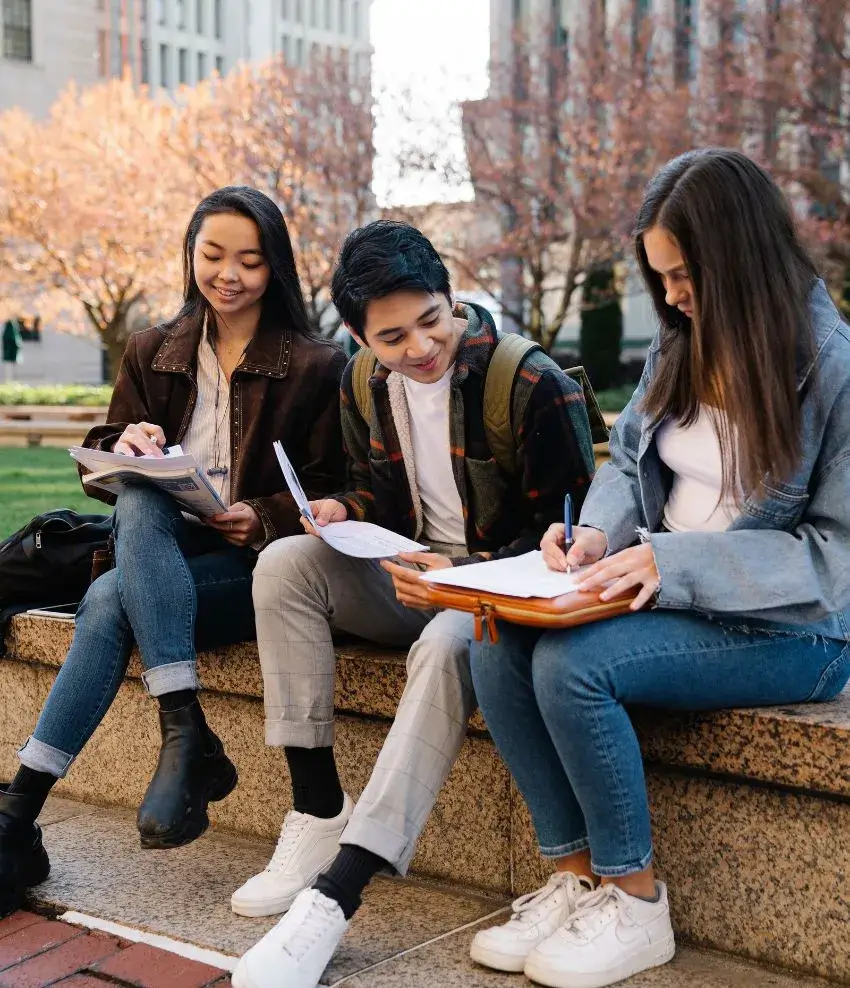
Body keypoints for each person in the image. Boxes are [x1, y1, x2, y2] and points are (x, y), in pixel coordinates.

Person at [463, 147, 850, 988]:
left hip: (790, 628)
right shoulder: (680, 346)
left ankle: (635, 905)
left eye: (684, 274)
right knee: (491, 645)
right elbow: (625, 463)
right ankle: (574, 882)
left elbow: (831, 562)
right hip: (659, 587)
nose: (671, 295)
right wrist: (599, 536)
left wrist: (665, 563)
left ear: (741, 257)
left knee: (571, 665)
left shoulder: (836, 370)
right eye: (660, 275)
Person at [230, 220, 597, 988]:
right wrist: (342, 508)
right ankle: (316, 807)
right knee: (285, 563)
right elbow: (380, 493)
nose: (420, 348)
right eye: (392, 337)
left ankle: (337, 896)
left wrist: (462, 572)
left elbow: (570, 540)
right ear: (362, 338)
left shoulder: (529, 384)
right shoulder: (363, 383)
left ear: (451, 296)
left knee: (442, 645)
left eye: (431, 321)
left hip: (497, 595)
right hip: (410, 579)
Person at [0, 186, 347, 911]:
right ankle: (181, 732)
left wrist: (267, 515)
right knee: (139, 493)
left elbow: (337, 484)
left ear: (275, 267)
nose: (228, 274)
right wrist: (124, 442)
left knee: (106, 596)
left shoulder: (317, 364)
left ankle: (21, 811)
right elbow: (106, 456)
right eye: (212, 255)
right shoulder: (153, 350)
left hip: (252, 571)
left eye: (250, 261)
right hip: (164, 556)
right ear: (190, 256)